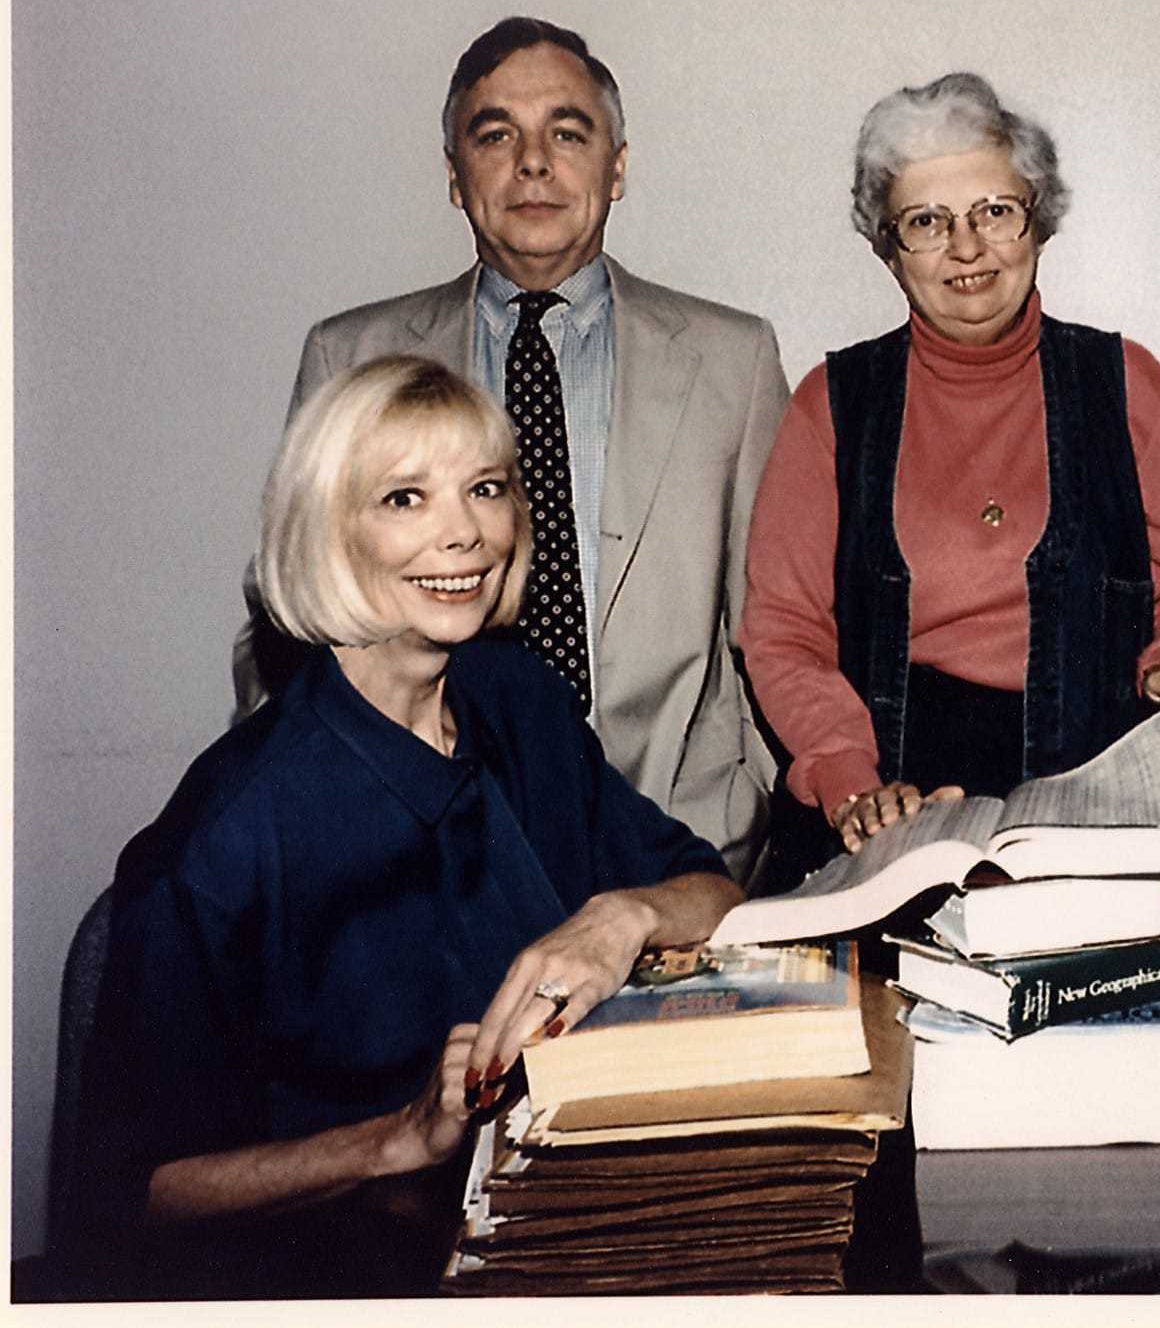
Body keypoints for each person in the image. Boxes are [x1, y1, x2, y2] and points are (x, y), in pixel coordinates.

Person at [89, 358, 742, 1297]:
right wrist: (399, 1137)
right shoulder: (233, 832)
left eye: (486, 488)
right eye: (406, 497)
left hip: (572, 1233)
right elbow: (131, 1197)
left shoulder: (517, 701)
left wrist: (620, 917)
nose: (465, 531)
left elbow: (714, 891)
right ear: (327, 533)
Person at [236, 17, 789, 882]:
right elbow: (290, 611)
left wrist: (753, 797)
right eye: (495, 135)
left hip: (683, 855)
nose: (533, 162)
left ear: (617, 165)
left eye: (568, 132)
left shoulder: (734, 359)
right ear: (455, 175)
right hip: (424, 868)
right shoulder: (352, 355)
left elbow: (776, 623)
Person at [740, 71, 1160, 863]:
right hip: (889, 801)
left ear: (1037, 225)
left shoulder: (1130, 385)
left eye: (994, 213)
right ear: (887, 249)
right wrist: (846, 774)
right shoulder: (829, 405)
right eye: (927, 221)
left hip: (1096, 797)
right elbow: (783, 631)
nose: (966, 248)